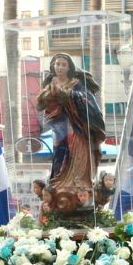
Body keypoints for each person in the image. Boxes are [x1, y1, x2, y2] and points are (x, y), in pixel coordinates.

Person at [37, 53, 106, 211]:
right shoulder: (51, 83)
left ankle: (79, 183)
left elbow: (87, 99)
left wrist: (68, 93)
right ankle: (59, 182)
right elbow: (41, 104)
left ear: (69, 67)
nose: (60, 67)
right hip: (59, 127)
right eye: (57, 64)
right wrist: (53, 93)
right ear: (53, 66)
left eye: (63, 64)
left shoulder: (76, 83)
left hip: (77, 126)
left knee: (79, 151)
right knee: (61, 153)